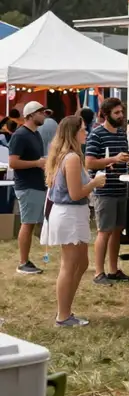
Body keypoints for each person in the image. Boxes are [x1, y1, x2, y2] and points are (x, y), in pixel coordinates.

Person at [42, 115, 107, 326]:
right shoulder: (71, 158)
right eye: (82, 129)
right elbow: (76, 193)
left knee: (81, 262)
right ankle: (63, 315)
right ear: (73, 133)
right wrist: (95, 182)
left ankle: (66, 309)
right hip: (69, 214)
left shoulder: (67, 156)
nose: (86, 132)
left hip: (72, 213)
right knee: (69, 265)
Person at [84, 97, 129, 285]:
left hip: (121, 188)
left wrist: (127, 159)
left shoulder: (121, 134)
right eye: (117, 113)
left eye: (121, 112)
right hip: (104, 190)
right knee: (104, 231)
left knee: (117, 231)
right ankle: (98, 273)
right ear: (106, 115)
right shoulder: (96, 134)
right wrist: (113, 159)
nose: (121, 115)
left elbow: (119, 158)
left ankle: (113, 270)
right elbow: (89, 162)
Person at [8, 101, 48, 275]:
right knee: (27, 223)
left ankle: (26, 260)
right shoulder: (20, 135)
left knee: (30, 224)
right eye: (41, 112)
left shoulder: (35, 134)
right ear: (30, 115)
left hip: (36, 184)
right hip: (27, 185)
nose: (44, 115)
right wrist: (37, 163)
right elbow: (13, 163)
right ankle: (23, 262)